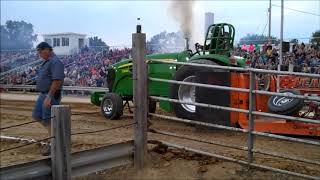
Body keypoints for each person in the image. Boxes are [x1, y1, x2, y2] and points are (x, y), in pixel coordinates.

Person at [32, 42, 65, 155]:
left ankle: (54, 144)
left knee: (48, 119)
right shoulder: (48, 61)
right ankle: (53, 136)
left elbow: (57, 80)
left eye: (41, 52)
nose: (40, 55)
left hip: (49, 95)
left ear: (47, 50)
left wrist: (49, 96)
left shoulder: (55, 62)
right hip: (43, 94)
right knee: (37, 115)